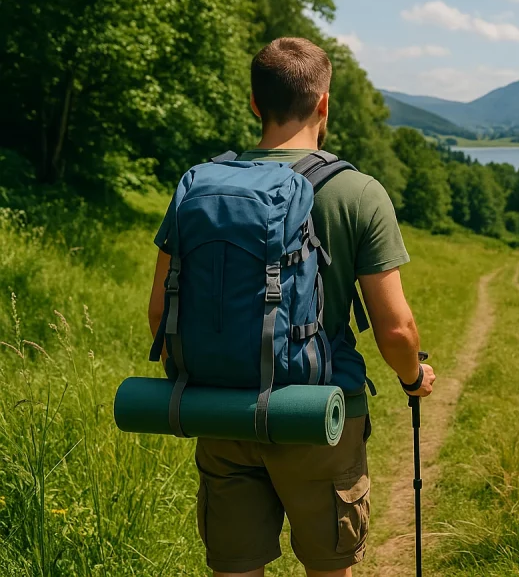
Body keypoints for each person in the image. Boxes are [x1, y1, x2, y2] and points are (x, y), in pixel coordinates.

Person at [147, 37, 435, 577]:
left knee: (235, 569)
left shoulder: (201, 185)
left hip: (221, 409)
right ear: (324, 103)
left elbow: (160, 314)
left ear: (254, 103)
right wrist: (414, 377)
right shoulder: (357, 192)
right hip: (319, 414)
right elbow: (395, 330)